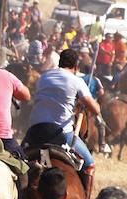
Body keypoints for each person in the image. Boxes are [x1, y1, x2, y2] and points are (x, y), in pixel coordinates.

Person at [25, 48, 101, 187]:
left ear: (59, 62)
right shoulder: (76, 81)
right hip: (61, 133)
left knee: (19, 157)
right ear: (76, 66)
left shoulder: (44, 77)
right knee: (90, 165)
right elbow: (95, 109)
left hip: (35, 131)